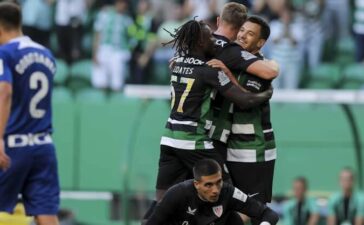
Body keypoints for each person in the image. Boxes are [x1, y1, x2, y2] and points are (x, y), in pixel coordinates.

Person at [207, 15, 277, 225]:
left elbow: (246, 100)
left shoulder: (260, 69)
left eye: (250, 33)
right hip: (232, 146)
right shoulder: (235, 58)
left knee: (256, 211)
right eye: (242, 30)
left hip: (255, 149)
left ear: (260, 43)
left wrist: (226, 73)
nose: (243, 35)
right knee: (232, 206)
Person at [0, 2, 59, 225]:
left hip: (12, 147)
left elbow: (4, 91)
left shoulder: (4, 53)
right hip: (44, 145)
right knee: (46, 215)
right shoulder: (46, 54)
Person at [146, 158, 279, 225]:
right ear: (196, 184)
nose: (215, 190)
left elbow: (269, 214)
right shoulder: (177, 194)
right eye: (208, 185)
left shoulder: (228, 192)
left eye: (218, 182)